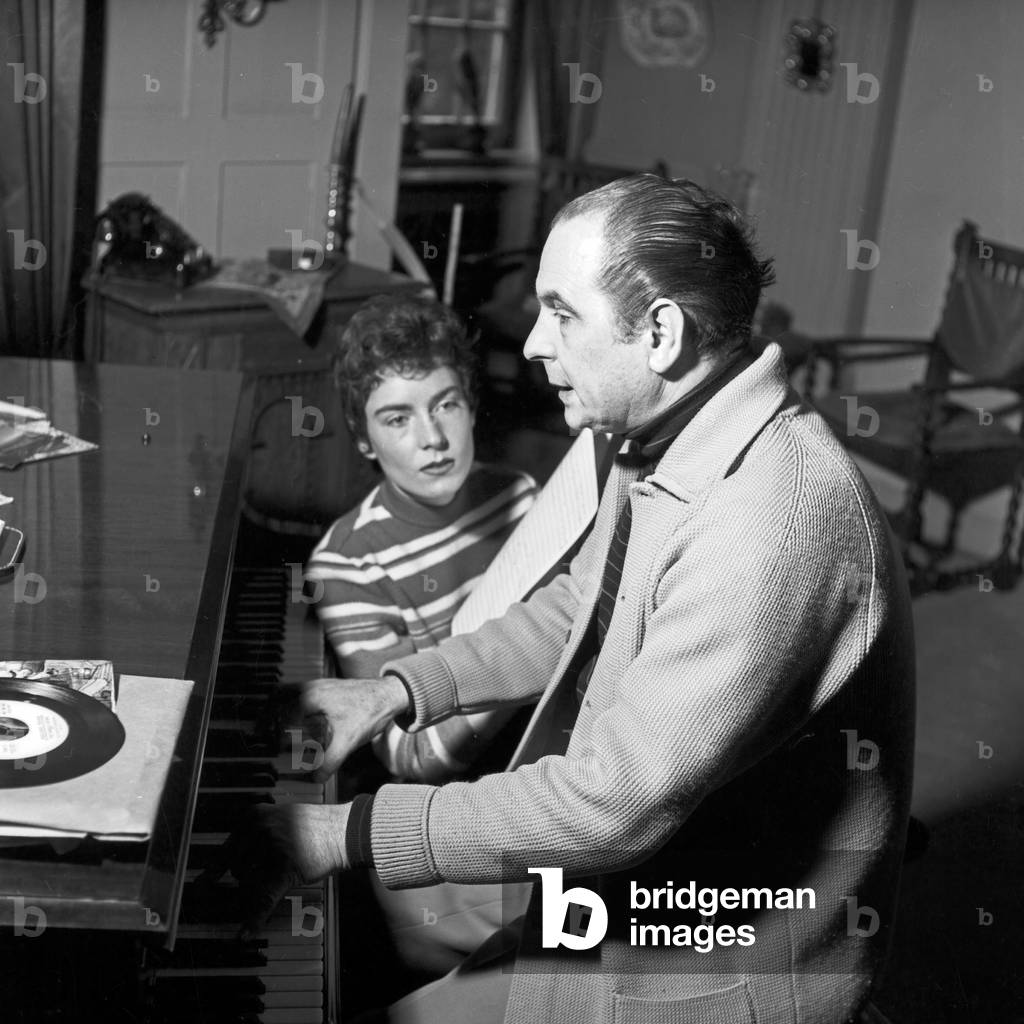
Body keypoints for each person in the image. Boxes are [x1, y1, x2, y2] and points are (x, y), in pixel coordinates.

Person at [222, 175, 915, 1024]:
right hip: (619, 897)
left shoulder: (770, 523)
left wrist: (344, 834)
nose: (535, 346)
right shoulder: (661, 439)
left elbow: (608, 807)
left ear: (659, 331)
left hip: (707, 963)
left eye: (562, 312)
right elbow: (576, 610)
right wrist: (395, 690)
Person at [304, 294, 538, 977]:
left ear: (471, 404)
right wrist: (530, 660)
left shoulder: (520, 496)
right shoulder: (346, 562)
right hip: (439, 838)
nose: (432, 439)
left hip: (543, 780)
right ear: (362, 438)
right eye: (397, 418)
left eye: (446, 405)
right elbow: (413, 754)